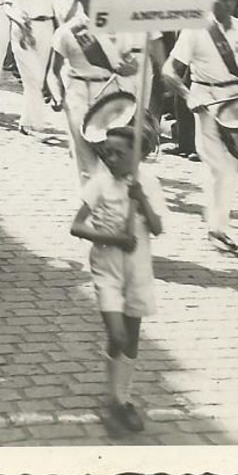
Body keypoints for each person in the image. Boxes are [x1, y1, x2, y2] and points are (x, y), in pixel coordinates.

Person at [70, 121, 165, 436]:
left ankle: (121, 399)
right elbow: (77, 226)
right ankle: (113, 398)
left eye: (119, 154)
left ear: (137, 156)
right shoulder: (98, 184)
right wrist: (112, 238)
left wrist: (142, 199)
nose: (110, 159)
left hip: (137, 269)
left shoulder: (148, 184)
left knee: (132, 338)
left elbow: (156, 228)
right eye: (107, 152)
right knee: (118, 336)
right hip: (106, 268)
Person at [162, 0, 238, 252]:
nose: (226, 3)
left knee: (231, 169)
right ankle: (216, 229)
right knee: (220, 169)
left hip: (235, 104)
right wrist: (190, 96)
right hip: (207, 102)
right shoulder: (195, 28)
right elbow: (169, 72)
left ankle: (218, 225)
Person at [48, 0, 159, 184]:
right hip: (77, 94)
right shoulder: (67, 32)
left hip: (110, 93)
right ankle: (90, 200)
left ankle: (113, 197)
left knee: (112, 150)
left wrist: (131, 68)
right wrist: (57, 96)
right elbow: (53, 71)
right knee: (84, 154)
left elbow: (134, 62)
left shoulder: (118, 28)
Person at [5, 0, 64, 136]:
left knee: (38, 78)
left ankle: (28, 121)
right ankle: (34, 123)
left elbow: (59, 5)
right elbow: (9, 4)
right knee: (33, 77)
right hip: (23, 29)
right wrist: (21, 23)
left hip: (46, 28)